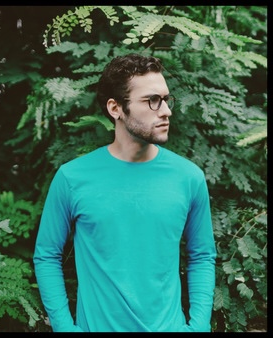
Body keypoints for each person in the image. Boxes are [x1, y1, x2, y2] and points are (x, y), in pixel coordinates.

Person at [33, 53, 216, 332]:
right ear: (115, 108)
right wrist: (64, 327)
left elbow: (202, 255)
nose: (165, 110)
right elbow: (46, 254)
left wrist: (199, 326)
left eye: (166, 99)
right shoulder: (72, 177)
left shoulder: (189, 177)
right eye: (151, 100)